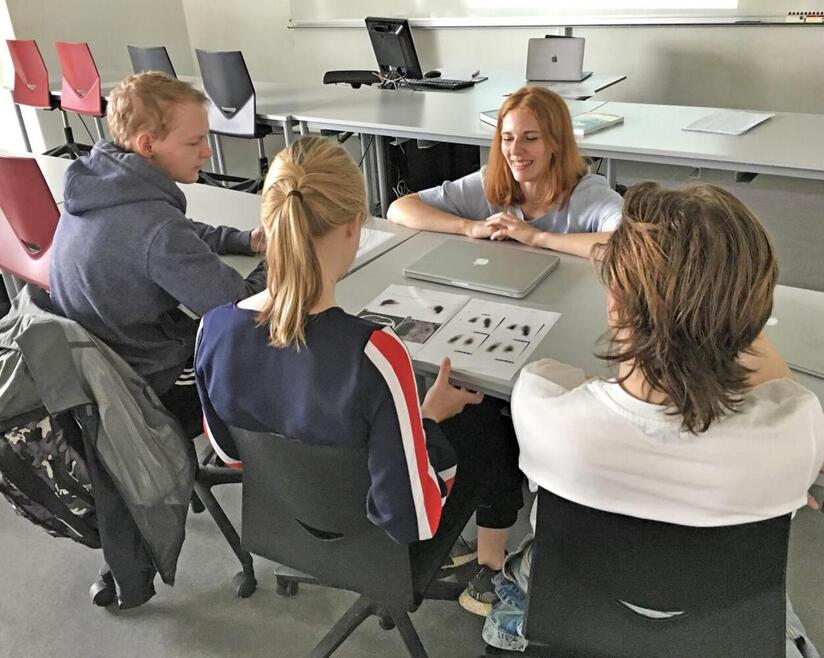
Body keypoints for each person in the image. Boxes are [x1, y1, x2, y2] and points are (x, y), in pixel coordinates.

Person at [481, 182, 824, 655]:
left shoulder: (542, 407)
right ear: (755, 314)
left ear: (615, 305)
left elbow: (573, 380)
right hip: (724, 632)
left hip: (569, 618)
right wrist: (724, 307)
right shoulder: (796, 434)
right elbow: (779, 387)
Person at [195, 137, 525, 591]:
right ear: (354, 227)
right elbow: (412, 517)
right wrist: (424, 418)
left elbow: (232, 454)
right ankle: (492, 563)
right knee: (488, 424)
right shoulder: (373, 353)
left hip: (285, 522)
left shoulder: (211, 330)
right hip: (382, 544)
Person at [49, 72, 266, 437]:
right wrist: (280, 259)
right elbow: (241, 306)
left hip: (105, 371)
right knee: (273, 350)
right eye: (194, 142)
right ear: (148, 145)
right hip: (152, 388)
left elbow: (169, 231)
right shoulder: (156, 227)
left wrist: (244, 241)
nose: (207, 151)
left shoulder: (101, 186)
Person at [387, 85, 622, 259]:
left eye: (530, 138)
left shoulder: (588, 193)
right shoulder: (491, 182)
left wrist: (537, 237)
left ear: (557, 142)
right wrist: (468, 226)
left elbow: (629, 244)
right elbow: (399, 209)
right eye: (507, 139)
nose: (515, 151)